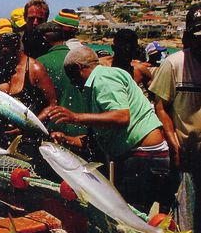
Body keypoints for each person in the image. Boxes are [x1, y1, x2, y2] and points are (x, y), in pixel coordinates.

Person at [47, 46, 172, 213]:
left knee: (131, 219)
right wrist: (65, 139)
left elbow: (121, 117)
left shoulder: (103, 78)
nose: (72, 83)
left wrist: (76, 117)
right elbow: (95, 140)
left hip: (142, 157)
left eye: (71, 76)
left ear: (78, 68)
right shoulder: (99, 83)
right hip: (140, 156)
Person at [0, 15, 56, 169]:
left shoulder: (34, 69)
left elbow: (52, 105)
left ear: (14, 42)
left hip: (24, 142)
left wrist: (30, 125)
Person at [149, 3, 201, 233]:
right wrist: (171, 137)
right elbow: (160, 106)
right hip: (186, 152)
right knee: (185, 215)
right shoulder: (173, 64)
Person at [35, 22, 87, 139]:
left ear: (44, 39)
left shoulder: (39, 64)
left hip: (56, 132)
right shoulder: (81, 59)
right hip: (85, 131)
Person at [99, 29, 152, 93]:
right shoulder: (101, 67)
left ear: (136, 49)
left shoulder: (139, 70)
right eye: (123, 48)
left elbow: (156, 96)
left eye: (131, 48)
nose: (126, 52)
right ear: (113, 48)